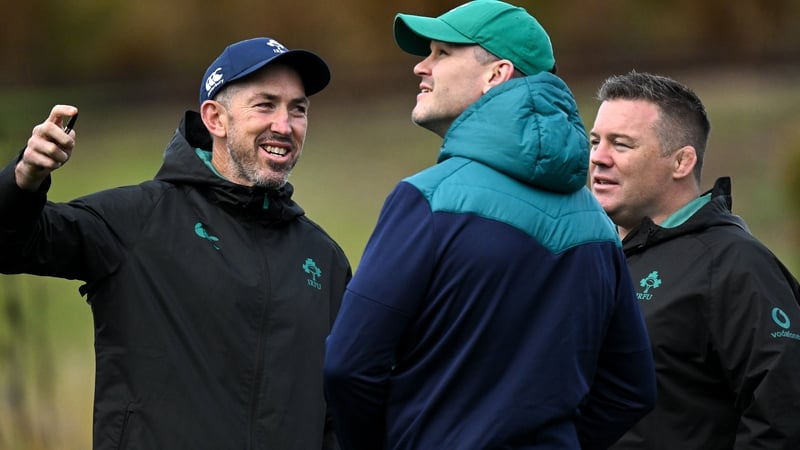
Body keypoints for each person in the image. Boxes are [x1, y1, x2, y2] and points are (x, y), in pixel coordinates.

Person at [322, 1, 657, 449]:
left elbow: (348, 365)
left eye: (442, 53)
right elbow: (631, 389)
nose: (421, 66)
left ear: (496, 74)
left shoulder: (428, 200)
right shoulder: (597, 224)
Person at [0, 37, 351, 449]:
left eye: (298, 109)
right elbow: (13, 244)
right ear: (215, 119)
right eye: (265, 105)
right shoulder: (139, 220)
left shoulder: (323, 259)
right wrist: (23, 179)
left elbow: (339, 410)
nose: (284, 125)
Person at [589, 70, 800, 449]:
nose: (598, 158)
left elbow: (783, 413)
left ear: (682, 162)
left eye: (621, 144)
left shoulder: (736, 263)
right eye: (595, 142)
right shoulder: (587, 256)